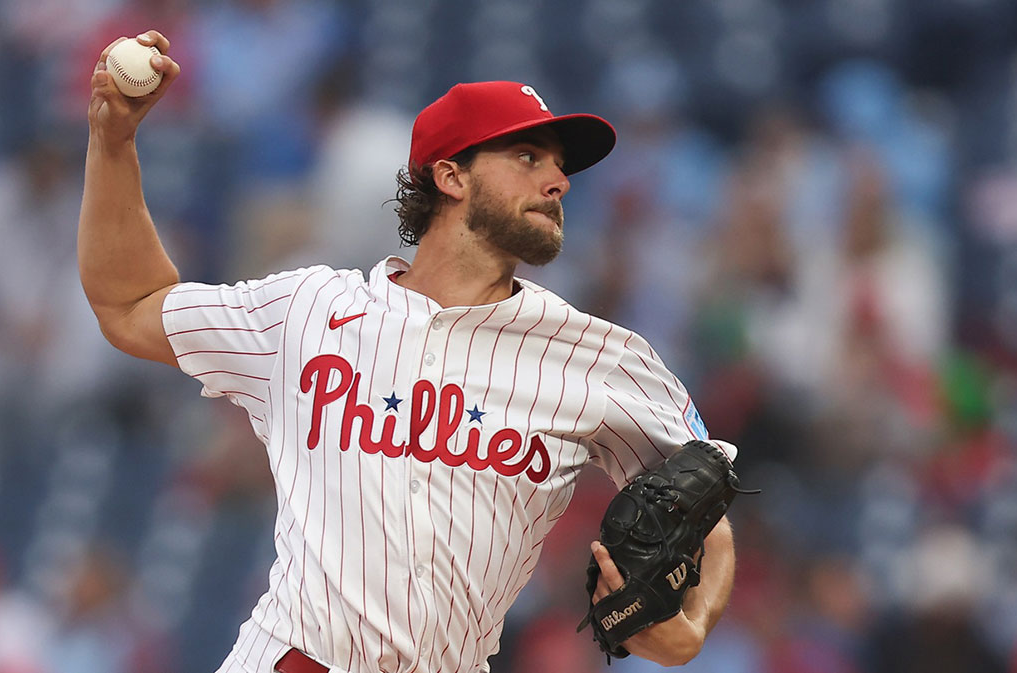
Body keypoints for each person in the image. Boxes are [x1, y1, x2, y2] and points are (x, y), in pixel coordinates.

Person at [80, 30, 739, 673]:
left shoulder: (594, 355)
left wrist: (691, 628)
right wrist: (114, 142)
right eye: (528, 157)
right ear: (451, 175)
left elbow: (706, 497)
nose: (559, 181)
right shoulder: (309, 310)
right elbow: (131, 305)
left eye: (560, 165)